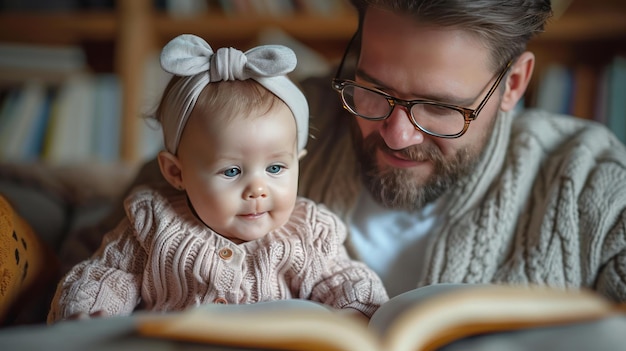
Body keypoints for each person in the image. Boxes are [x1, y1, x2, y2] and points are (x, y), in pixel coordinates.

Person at [47, 34, 388, 323]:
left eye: (275, 168)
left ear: (298, 163)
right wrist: (88, 314)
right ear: (175, 172)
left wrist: (362, 316)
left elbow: (343, 278)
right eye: (232, 171)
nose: (257, 189)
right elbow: (110, 275)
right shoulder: (153, 224)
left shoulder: (309, 233)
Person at [297, 0, 626, 300]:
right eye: (374, 89)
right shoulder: (282, 122)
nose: (397, 136)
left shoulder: (595, 186)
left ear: (513, 85)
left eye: (439, 107)